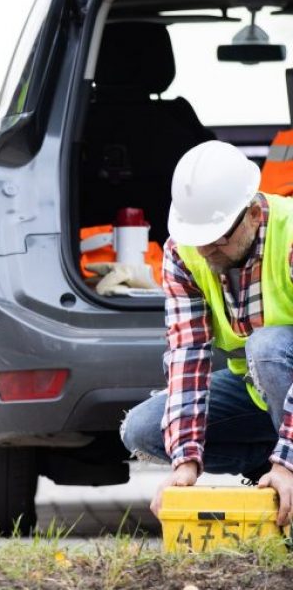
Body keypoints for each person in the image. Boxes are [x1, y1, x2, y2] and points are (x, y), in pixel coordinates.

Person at [121, 140, 293, 527]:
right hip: (259, 392)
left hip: (282, 370)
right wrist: (185, 462)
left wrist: (290, 463)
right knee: (145, 430)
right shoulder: (184, 253)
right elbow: (187, 354)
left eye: (217, 239)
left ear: (251, 214)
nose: (207, 253)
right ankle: (271, 474)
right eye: (199, 240)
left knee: (267, 346)